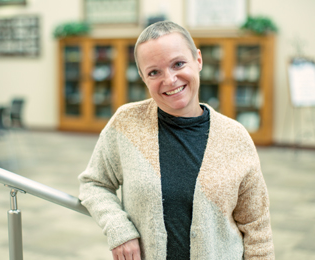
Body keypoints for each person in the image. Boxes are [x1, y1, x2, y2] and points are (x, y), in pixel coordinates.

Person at [79, 21, 274, 260]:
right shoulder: (126, 123)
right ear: (142, 77)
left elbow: (256, 226)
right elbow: (94, 184)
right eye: (154, 72)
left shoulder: (235, 137)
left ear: (198, 60)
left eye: (178, 64)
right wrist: (119, 227)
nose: (170, 79)